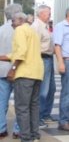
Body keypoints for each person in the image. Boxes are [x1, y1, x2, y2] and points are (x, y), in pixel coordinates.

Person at [0, 12, 44, 142]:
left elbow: (21, 52)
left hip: (25, 74)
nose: (12, 25)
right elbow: (18, 53)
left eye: (13, 21)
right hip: (36, 73)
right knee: (33, 106)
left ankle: (26, 138)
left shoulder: (19, 30)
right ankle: (35, 135)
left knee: (22, 108)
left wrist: (12, 69)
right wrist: (3, 57)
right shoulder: (32, 31)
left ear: (19, 20)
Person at [31, 5, 57, 129]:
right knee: (43, 90)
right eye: (48, 13)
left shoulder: (46, 26)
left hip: (49, 58)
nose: (50, 15)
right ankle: (39, 117)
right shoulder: (36, 26)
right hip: (42, 58)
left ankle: (46, 114)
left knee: (51, 88)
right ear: (41, 13)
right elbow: (34, 46)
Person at [0, 4, 22, 139]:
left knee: (2, 100)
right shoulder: (21, 29)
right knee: (20, 102)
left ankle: (1, 128)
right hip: (18, 68)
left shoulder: (1, 29)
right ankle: (17, 129)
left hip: (2, 68)